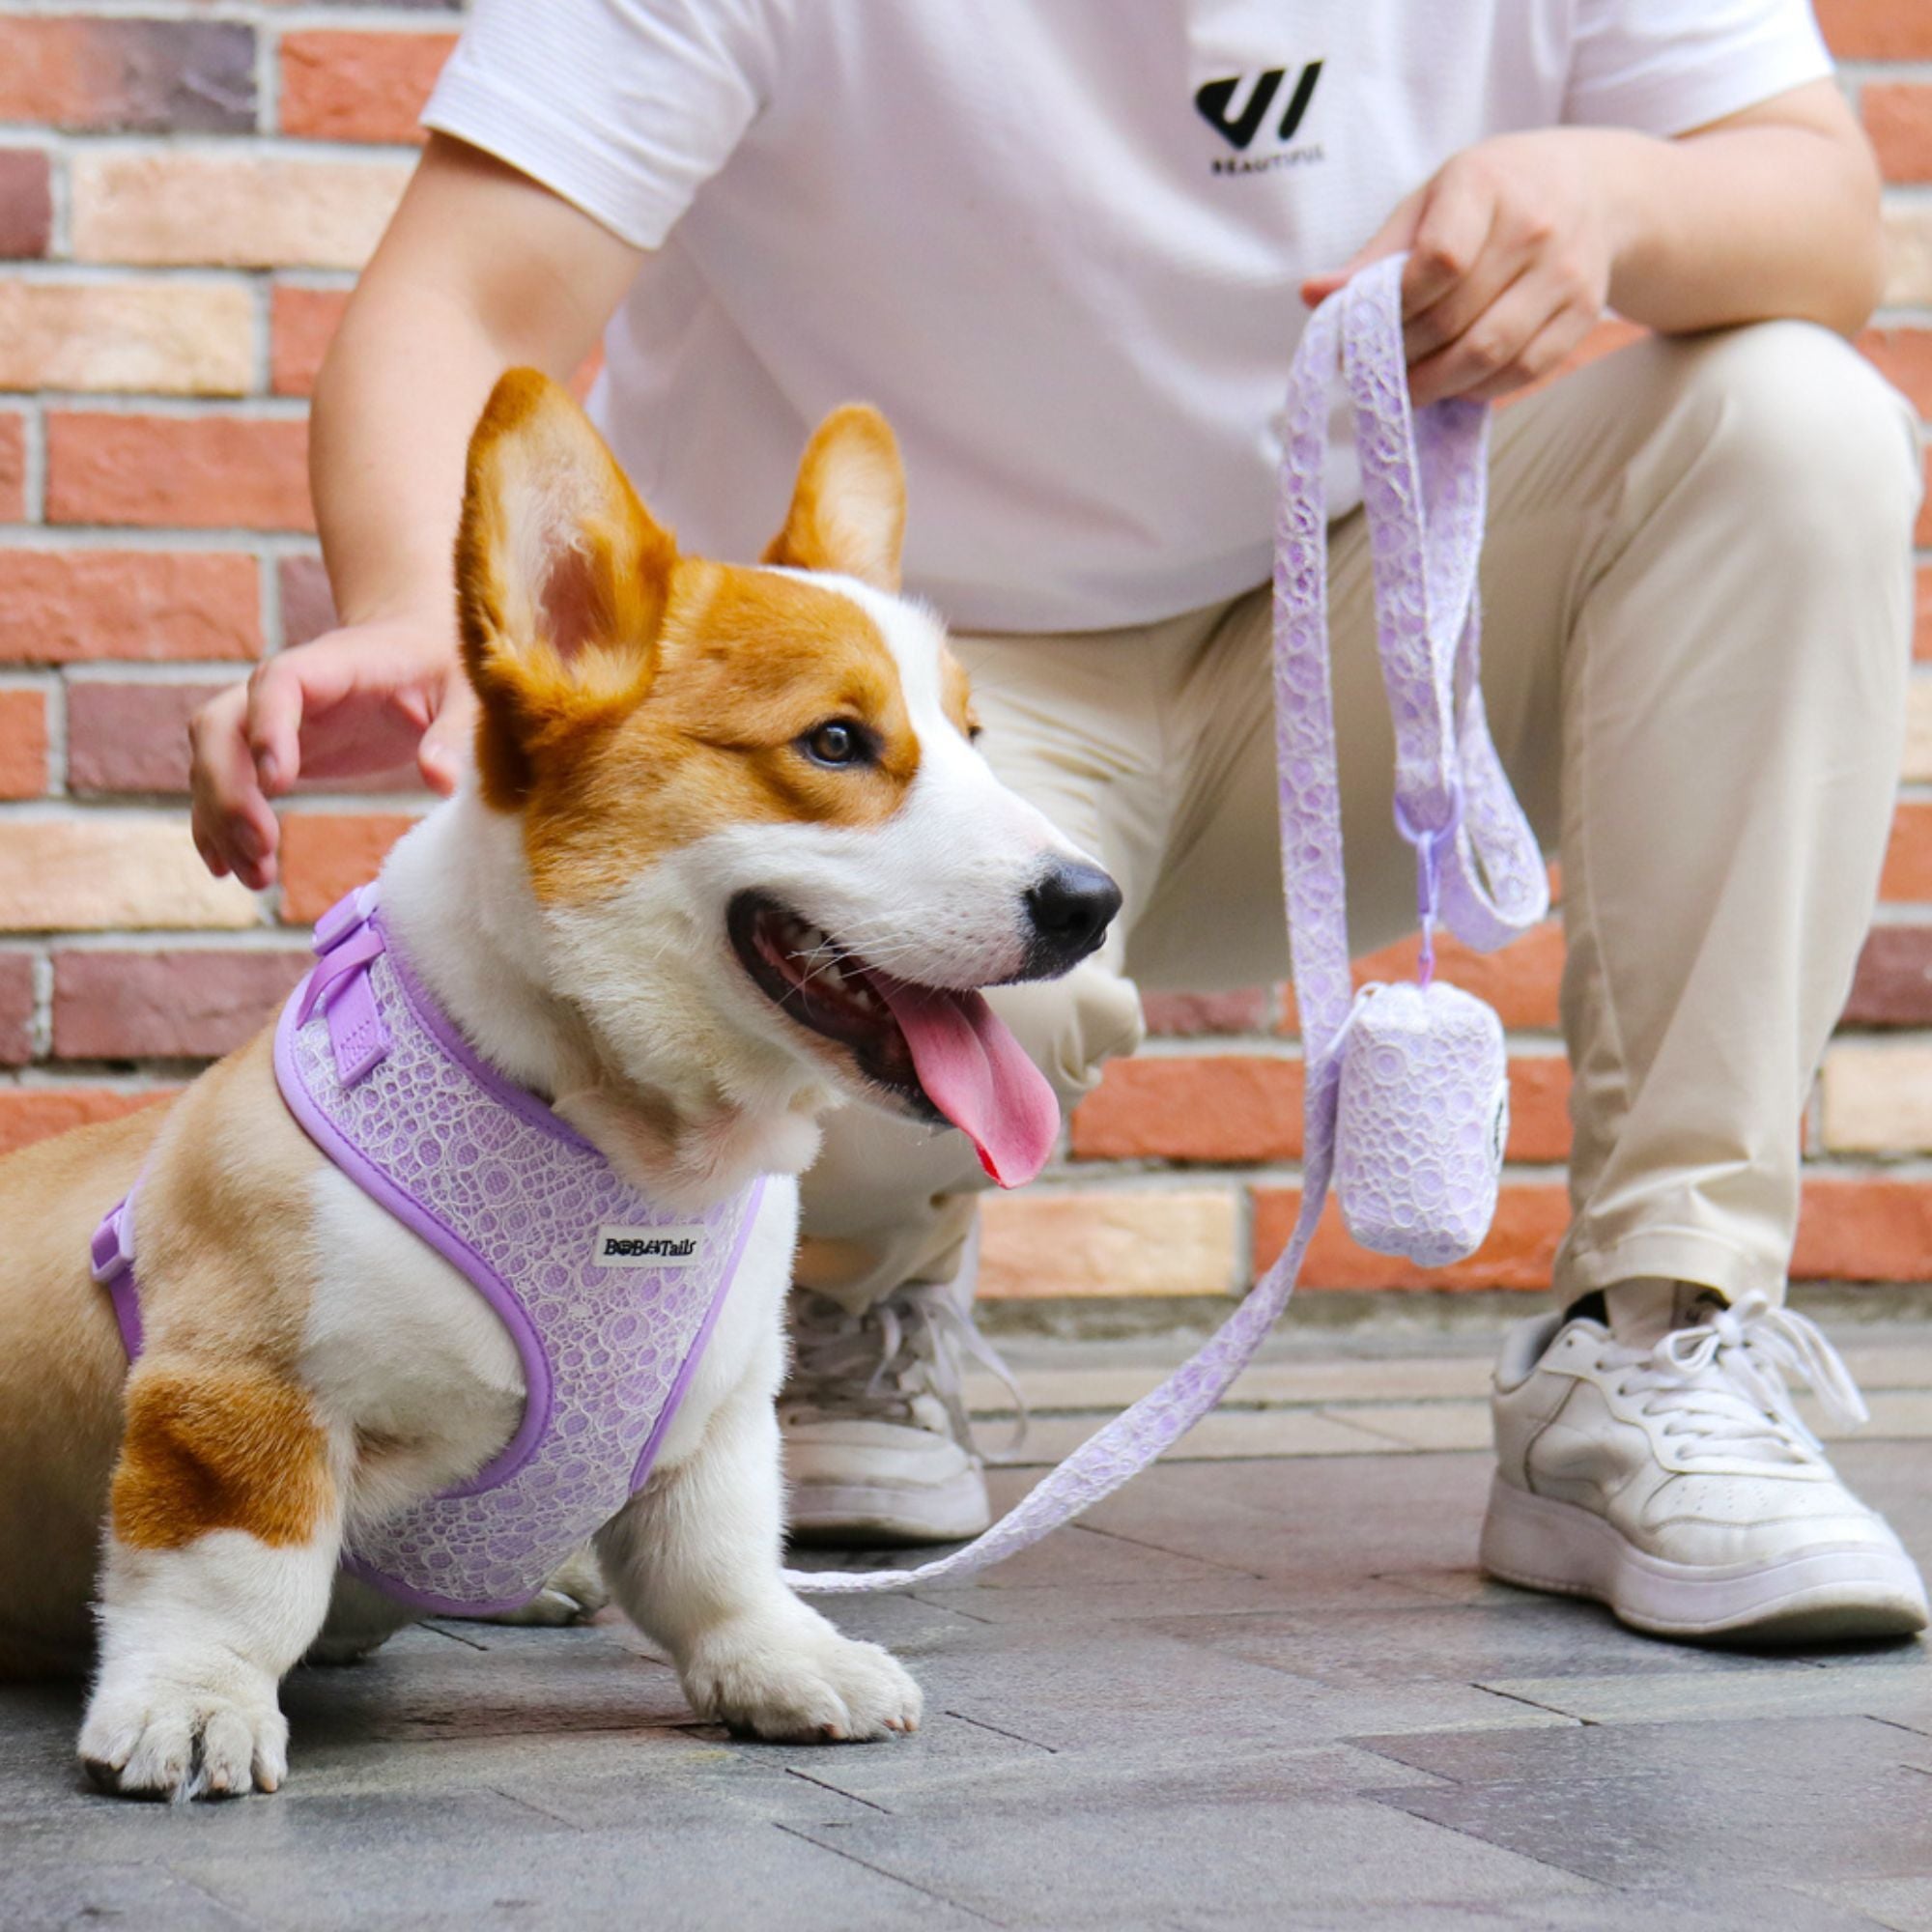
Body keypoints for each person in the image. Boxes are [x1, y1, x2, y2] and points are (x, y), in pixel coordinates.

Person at [189, 2, 1928, 1638]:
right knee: (877, 1005)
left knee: (1798, 425)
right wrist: (419, 612)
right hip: (913, 695)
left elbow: (1819, 208)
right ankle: (841, 1292)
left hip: (1357, 640)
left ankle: (1667, 1327)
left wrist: (1617, 199)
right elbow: (466, 299)